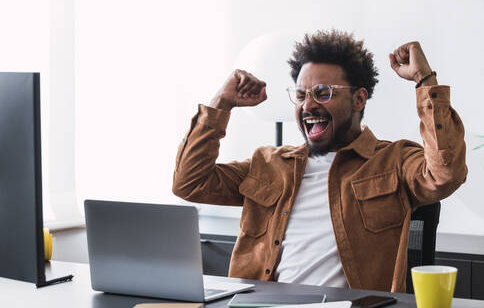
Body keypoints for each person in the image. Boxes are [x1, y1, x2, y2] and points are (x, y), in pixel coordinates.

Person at [172, 30, 467, 292]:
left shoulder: (394, 161)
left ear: (359, 99)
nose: (308, 105)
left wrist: (424, 81)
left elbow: (446, 174)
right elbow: (189, 183)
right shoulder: (267, 164)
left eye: (323, 93)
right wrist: (220, 104)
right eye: (301, 95)